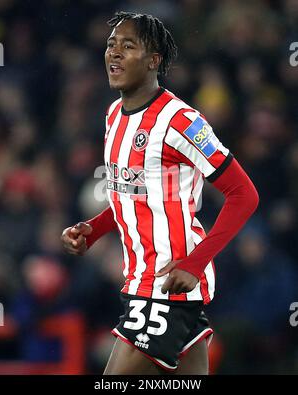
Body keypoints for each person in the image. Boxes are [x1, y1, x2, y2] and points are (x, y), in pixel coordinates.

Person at [61, 11, 259, 375]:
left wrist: (195, 263)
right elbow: (138, 192)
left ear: (153, 61)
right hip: (139, 280)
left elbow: (244, 194)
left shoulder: (179, 120)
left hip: (166, 283)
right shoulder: (112, 116)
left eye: (128, 46)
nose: (114, 53)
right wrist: (96, 227)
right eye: (111, 45)